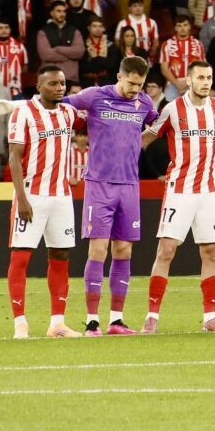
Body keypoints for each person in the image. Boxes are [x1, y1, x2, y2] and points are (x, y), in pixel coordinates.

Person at [64, 55, 161, 336]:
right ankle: (92, 321)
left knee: (124, 249)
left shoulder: (144, 102)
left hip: (130, 184)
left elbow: (157, 126)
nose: (136, 90)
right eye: (132, 83)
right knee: (98, 249)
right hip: (99, 183)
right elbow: (56, 105)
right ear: (120, 76)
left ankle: (116, 320)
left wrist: (141, 141)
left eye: (140, 85)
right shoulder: (94, 96)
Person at [0, 66, 80, 340]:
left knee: (61, 256)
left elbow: (90, 107)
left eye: (63, 83)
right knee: (21, 256)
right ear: (39, 86)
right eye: (53, 84)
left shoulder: (68, 113)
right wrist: (22, 198)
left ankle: (57, 323)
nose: (60, 88)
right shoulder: (24, 113)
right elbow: (14, 157)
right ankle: (20, 323)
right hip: (32, 195)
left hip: (61, 196)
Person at [142, 59, 215, 334]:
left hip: (208, 189)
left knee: (211, 251)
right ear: (188, 80)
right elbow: (147, 138)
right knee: (167, 250)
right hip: (180, 189)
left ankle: (211, 318)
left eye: (209, 77)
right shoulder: (172, 109)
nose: (206, 82)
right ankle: (152, 317)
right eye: (201, 78)